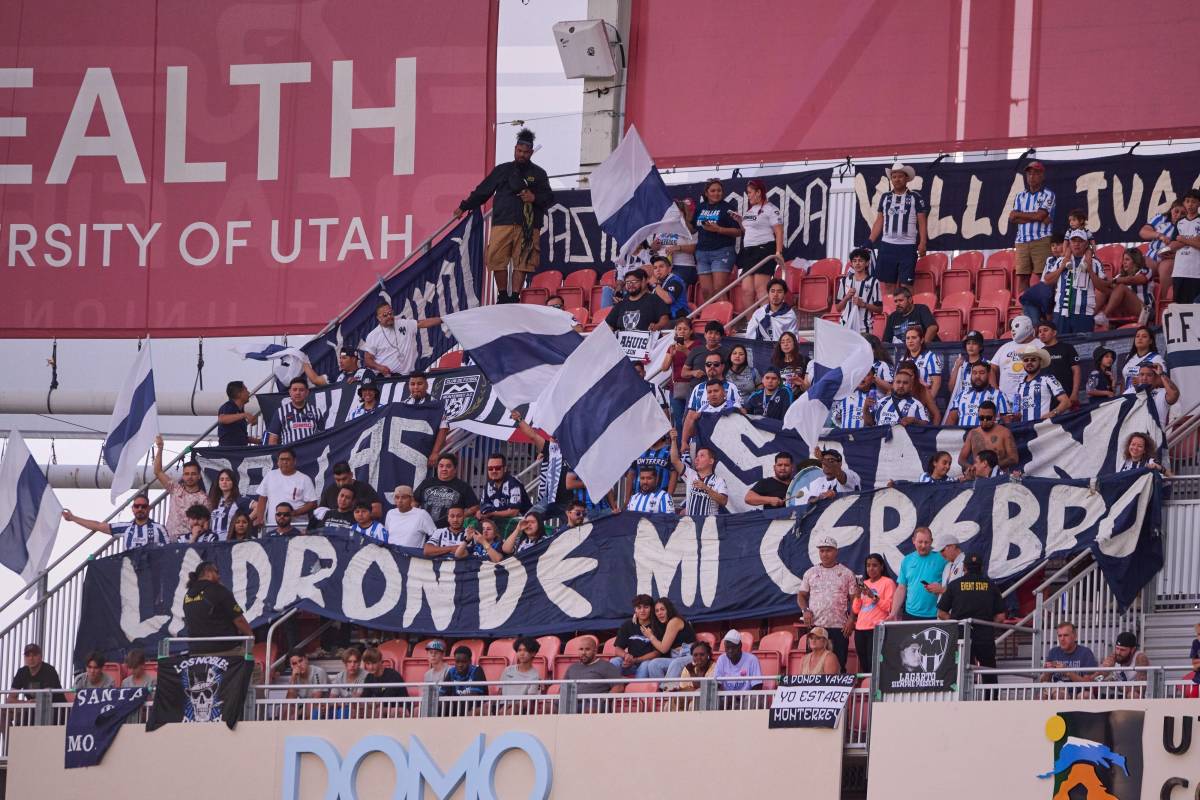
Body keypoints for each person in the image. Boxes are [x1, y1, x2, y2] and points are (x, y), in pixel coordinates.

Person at [456, 127, 554, 302]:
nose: (522, 154)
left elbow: (549, 197)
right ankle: (502, 295)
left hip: (529, 225)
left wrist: (534, 197)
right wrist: (464, 206)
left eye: (525, 152)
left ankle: (515, 296)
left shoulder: (539, 174)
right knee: (495, 258)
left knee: (524, 261)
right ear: (515, 149)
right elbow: (483, 191)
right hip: (503, 222)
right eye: (519, 151)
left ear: (531, 152)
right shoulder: (502, 170)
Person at [936, 553, 1006, 683]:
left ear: (964, 567)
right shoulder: (991, 585)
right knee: (988, 671)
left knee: (962, 671)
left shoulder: (954, 585)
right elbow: (1001, 617)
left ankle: (964, 701)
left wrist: (958, 622)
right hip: (985, 635)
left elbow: (941, 613)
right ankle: (991, 701)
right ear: (981, 567)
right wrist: (987, 623)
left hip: (961, 635)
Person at [797, 536, 857, 672]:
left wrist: (851, 619)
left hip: (839, 626)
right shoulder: (810, 573)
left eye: (828, 550)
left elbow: (855, 599)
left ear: (836, 551)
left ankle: (838, 693)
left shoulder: (847, 573)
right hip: (816, 626)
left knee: (839, 665)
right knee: (814, 667)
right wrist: (805, 610)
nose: (824, 554)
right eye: (822, 551)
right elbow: (801, 595)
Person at [868, 162, 928, 293]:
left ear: (906, 178)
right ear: (891, 179)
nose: (897, 179)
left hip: (908, 247)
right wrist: (870, 241)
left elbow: (922, 221)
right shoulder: (885, 197)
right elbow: (879, 220)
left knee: (906, 285)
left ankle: (907, 313)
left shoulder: (915, 197)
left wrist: (923, 242)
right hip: (887, 246)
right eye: (894, 176)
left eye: (900, 176)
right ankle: (890, 313)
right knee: (888, 284)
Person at [1043, 230, 1110, 333]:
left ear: (1086, 243)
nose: (1076, 244)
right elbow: (1047, 280)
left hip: (1084, 314)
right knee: (1062, 346)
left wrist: (1090, 271)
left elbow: (1104, 289)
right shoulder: (1062, 260)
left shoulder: (1095, 262)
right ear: (1069, 243)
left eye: (1080, 241)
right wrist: (1061, 268)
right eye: (1074, 241)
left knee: (1083, 348)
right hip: (1061, 312)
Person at [181, 561, 253, 654]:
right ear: (208, 573)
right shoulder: (218, 590)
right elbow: (239, 620)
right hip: (224, 649)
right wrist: (251, 636)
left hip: (196, 652)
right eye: (217, 572)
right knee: (254, 667)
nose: (219, 576)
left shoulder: (187, 595)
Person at [691, 178, 743, 302]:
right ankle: (710, 320)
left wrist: (718, 229)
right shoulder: (700, 208)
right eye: (713, 191)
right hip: (702, 253)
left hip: (722, 252)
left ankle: (722, 321)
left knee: (719, 289)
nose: (716, 193)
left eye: (719, 190)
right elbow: (693, 229)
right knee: (706, 291)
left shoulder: (728, 208)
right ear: (706, 193)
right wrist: (682, 219)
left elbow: (739, 231)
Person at [360, 301, 443, 377]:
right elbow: (368, 360)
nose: (389, 317)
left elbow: (422, 323)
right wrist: (379, 367)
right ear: (378, 318)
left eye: (390, 313)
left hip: (407, 376)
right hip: (386, 377)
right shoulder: (373, 335)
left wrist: (443, 319)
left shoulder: (404, 324)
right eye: (385, 315)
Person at [735, 178, 784, 307]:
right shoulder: (750, 211)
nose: (748, 195)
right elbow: (748, 230)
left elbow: (779, 231)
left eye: (750, 192)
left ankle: (766, 321)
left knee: (760, 287)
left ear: (758, 192)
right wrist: (740, 221)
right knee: (746, 289)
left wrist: (778, 252)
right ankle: (751, 323)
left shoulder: (770, 208)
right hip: (749, 252)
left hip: (764, 248)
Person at [1010, 160, 1056, 295]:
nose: (1031, 176)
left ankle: (1045, 312)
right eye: (1029, 174)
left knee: (1044, 276)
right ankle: (1026, 312)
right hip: (1021, 241)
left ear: (1042, 176)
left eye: (1035, 173)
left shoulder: (1048, 194)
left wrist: (1021, 216)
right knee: (1022, 277)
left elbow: (1040, 216)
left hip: (1041, 239)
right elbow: (1012, 218)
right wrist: (1036, 216)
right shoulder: (1020, 196)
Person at [152, 435, 209, 541]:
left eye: (193, 474)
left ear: (199, 476)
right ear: (183, 476)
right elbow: (158, 472)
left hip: (190, 541)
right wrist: (160, 448)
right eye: (186, 474)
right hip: (170, 540)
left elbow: (205, 523)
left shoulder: (204, 498)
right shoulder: (175, 489)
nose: (190, 477)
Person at [62, 494, 168, 548]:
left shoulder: (159, 528)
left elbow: (169, 551)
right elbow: (98, 526)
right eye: (137, 506)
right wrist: (73, 518)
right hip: (131, 576)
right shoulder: (126, 527)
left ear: (148, 508)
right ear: (133, 509)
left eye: (143, 506)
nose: (140, 509)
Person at [252, 448, 318, 528]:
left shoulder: (304, 479)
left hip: (297, 526)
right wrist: (259, 518)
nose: (284, 462)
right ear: (278, 461)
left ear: (294, 461)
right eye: (282, 459)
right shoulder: (270, 475)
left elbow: (313, 503)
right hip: (273, 526)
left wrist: (295, 513)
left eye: (288, 459)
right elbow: (262, 498)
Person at [890, 528, 946, 621]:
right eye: (920, 542)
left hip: (935, 615)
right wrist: (893, 613)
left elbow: (953, 584)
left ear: (932, 541)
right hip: (910, 614)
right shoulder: (907, 560)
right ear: (913, 541)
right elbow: (901, 588)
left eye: (926, 542)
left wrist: (941, 588)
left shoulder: (942, 559)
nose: (923, 546)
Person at [668, 430, 728, 516]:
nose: (697, 459)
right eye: (696, 456)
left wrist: (706, 488)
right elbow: (674, 460)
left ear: (711, 461)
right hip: (691, 525)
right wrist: (673, 441)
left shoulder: (719, 481)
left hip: (709, 526)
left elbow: (723, 501)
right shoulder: (690, 475)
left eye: (702, 456)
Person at [851, 554, 896, 665]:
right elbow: (856, 610)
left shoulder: (888, 582)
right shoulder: (864, 583)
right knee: (864, 662)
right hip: (860, 628)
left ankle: (874, 682)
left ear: (881, 567)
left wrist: (873, 596)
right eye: (868, 565)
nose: (871, 568)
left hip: (877, 628)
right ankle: (867, 682)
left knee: (874, 663)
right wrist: (857, 596)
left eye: (875, 565)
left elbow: (890, 607)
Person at [610, 594, 667, 678]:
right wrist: (626, 656)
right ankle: (616, 686)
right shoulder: (628, 625)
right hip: (630, 664)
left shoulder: (657, 626)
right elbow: (618, 648)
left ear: (651, 609)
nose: (642, 611)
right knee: (614, 661)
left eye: (646, 607)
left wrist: (636, 660)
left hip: (647, 663)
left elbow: (657, 653)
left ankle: (636, 688)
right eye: (639, 608)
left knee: (645, 664)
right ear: (635, 610)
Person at [414, 454, 479, 527]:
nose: (444, 469)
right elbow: (414, 501)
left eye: (448, 466)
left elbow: (474, 507)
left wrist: (459, 517)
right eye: (441, 466)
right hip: (424, 528)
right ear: (437, 468)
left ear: (455, 469)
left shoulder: (463, 486)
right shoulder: (427, 482)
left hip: (449, 531)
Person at [401, 371, 451, 467]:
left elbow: (443, 429)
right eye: (412, 384)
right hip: (403, 454)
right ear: (408, 386)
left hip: (425, 455)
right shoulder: (403, 404)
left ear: (427, 385)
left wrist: (435, 452)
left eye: (419, 383)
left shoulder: (436, 405)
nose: (416, 387)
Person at [642, 597, 698, 681]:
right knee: (653, 664)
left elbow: (664, 649)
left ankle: (668, 690)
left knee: (676, 663)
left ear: (669, 609)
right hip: (675, 657)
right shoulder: (663, 625)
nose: (659, 613)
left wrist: (650, 636)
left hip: (690, 655)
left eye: (662, 609)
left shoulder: (674, 621)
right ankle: (661, 692)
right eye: (657, 611)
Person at [1009, 345, 1070, 423]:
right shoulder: (1019, 385)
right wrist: (1015, 416)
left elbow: (1066, 402)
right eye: (1026, 360)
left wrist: (1053, 413)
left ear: (1040, 362)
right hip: (1024, 430)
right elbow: (1016, 411)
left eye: (1033, 360)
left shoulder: (1048, 379)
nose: (1029, 362)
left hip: (1043, 429)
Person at [993, 315, 1044, 405]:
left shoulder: (1041, 345)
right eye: (1011, 327)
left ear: (1028, 326)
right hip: (1005, 402)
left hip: (1032, 400)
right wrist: (996, 391)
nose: (1012, 330)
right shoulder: (1005, 347)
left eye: (1016, 326)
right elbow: (991, 369)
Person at [1098, 248, 1155, 325]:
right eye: (1123, 260)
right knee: (1104, 290)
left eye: (1127, 260)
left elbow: (1134, 280)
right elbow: (1108, 285)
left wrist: (1113, 281)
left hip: (1145, 310)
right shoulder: (1120, 276)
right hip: (1126, 309)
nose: (1123, 262)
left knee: (1121, 288)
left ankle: (1103, 316)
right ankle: (1090, 316)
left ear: (1135, 261)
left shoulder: (1145, 271)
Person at [958, 401, 1018, 472]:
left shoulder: (1005, 433)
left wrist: (993, 468)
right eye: (981, 417)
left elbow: (1014, 458)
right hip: (978, 477)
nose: (984, 420)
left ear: (995, 417)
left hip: (999, 476)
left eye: (988, 418)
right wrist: (971, 468)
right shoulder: (972, 433)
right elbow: (961, 459)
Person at [478, 453, 531, 533]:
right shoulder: (488, 485)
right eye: (490, 468)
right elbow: (483, 507)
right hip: (500, 523)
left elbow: (514, 512)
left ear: (505, 469)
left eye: (498, 468)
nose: (494, 471)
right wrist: (480, 513)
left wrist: (491, 513)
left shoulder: (513, 484)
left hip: (521, 523)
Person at [651, 199, 699, 287]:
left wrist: (678, 247)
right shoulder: (661, 227)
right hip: (662, 266)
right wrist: (654, 246)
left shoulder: (689, 228)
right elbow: (654, 249)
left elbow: (695, 248)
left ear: (682, 213)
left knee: (669, 284)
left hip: (683, 266)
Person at [835, 247, 882, 334]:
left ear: (867, 263)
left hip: (865, 328)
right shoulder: (844, 281)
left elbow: (879, 309)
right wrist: (846, 297)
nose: (857, 263)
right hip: (845, 326)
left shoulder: (874, 282)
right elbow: (838, 308)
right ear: (852, 264)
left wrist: (864, 304)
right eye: (854, 261)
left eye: (860, 260)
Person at [681, 379, 743, 445]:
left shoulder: (733, 405)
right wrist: (694, 421)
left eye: (716, 391)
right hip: (709, 445)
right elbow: (692, 434)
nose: (713, 394)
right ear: (707, 396)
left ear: (724, 393)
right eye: (709, 392)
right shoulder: (703, 409)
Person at [945, 363, 1010, 426]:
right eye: (974, 373)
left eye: (982, 373)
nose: (977, 376)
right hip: (964, 436)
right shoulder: (961, 395)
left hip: (987, 436)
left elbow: (1007, 423)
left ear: (988, 375)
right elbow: (951, 419)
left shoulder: (999, 396)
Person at [606, 268, 669, 332]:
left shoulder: (654, 299)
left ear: (642, 282)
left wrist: (658, 326)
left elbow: (664, 318)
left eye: (634, 281)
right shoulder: (621, 304)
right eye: (627, 282)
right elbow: (609, 325)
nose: (630, 284)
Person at [266, 377, 325, 446]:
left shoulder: (316, 411)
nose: (298, 393)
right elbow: (273, 440)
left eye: (301, 390)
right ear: (290, 392)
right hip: (290, 454)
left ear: (307, 392)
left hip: (312, 454)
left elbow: (322, 437)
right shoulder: (280, 412)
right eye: (294, 390)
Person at [1036, 319, 1081, 407]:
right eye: (1039, 331)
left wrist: (1074, 393)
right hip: (1047, 400)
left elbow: (1077, 371)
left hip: (1067, 396)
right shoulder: (1040, 352)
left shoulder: (1067, 348)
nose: (1042, 334)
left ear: (1054, 333)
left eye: (1045, 330)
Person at [1141, 198, 1184, 289]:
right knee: (1141, 263)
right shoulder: (1161, 218)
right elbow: (1143, 232)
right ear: (1171, 209)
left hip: (1170, 259)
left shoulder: (1187, 225)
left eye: (1183, 213)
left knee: (1166, 267)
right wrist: (1160, 235)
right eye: (1176, 211)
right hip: (1152, 257)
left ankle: (1163, 300)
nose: (1179, 215)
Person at [947, 330, 996, 407]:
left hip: (981, 405)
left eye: (974, 343)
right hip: (961, 405)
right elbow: (951, 389)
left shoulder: (988, 365)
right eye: (968, 343)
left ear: (980, 347)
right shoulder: (960, 364)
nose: (970, 346)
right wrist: (956, 367)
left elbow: (994, 391)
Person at [1168, 189, 1200, 304]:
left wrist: (1183, 239)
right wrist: (1192, 240)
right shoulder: (1180, 222)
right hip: (1180, 271)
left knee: (1195, 308)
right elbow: (1172, 245)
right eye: (1187, 201)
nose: (1190, 204)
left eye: (1194, 202)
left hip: (1196, 272)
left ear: (1199, 203)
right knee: (1179, 307)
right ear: (1184, 203)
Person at [797, 449, 861, 506]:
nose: (825, 464)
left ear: (840, 463)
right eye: (823, 461)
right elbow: (808, 501)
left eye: (831, 461)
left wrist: (822, 459)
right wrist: (820, 497)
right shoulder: (818, 481)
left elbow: (838, 473)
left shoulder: (850, 474)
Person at [681, 320, 731, 393]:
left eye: (716, 334)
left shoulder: (727, 352)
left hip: (718, 393)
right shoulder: (695, 350)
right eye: (710, 333)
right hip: (696, 391)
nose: (713, 336)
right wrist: (693, 373)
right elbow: (683, 373)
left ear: (721, 337)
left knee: (729, 405)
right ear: (705, 335)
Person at [625, 435, 676, 499]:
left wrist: (668, 498)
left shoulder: (670, 451)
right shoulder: (639, 450)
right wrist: (627, 499)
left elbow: (674, 476)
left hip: (659, 499)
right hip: (638, 499)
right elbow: (630, 475)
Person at [206, 469, 251, 541]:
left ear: (233, 482)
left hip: (229, 541)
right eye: (221, 479)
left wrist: (248, 521)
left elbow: (257, 507)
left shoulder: (239, 500)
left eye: (228, 479)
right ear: (218, 483)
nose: (224, 482)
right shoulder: (213, 501)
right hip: (213, 542)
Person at [899, 326, 942, 399]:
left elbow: (936, 383)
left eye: (914, 337)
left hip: (923, 399)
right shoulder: (902, 360)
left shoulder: (931, 357)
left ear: (922, 340)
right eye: (908, 338)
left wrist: (928, 402)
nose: (910, 341)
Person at [1120, 326, 1167, 392]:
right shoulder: (1129, 357)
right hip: (1128, 398)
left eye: (1144, 336)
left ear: (1150, 341)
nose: (1140, 338)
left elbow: (1163, 382)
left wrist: (1141, 382)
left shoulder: (1156, 358)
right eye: (1137, 336)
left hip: (1146, 398)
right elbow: (1124, 379)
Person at [646, 255, 690, 320]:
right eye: (655, 268)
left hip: (678, 319)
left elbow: (668, 299)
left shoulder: (675, 280)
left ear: (669, 269)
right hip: (663, 318)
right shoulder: (658, 282)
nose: (658, 270)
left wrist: (655, 284)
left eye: (661, 266)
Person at [216, 380, 259, 446]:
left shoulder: (239, 411)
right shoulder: (229, 406)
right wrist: (245, 415)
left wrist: (260, 441)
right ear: (239, 394)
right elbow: (222, 419)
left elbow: (240, 438)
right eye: (246, 390)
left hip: (238, 452)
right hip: (229, 452)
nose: (248, 392)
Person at [303, 344, 369, 387]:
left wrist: (359, 382)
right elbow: (315, 380)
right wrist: (302, 359)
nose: (340, 361)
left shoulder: (366, 372)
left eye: (344, 358)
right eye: (340, 358)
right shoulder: (336, 376)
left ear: (354, 359)